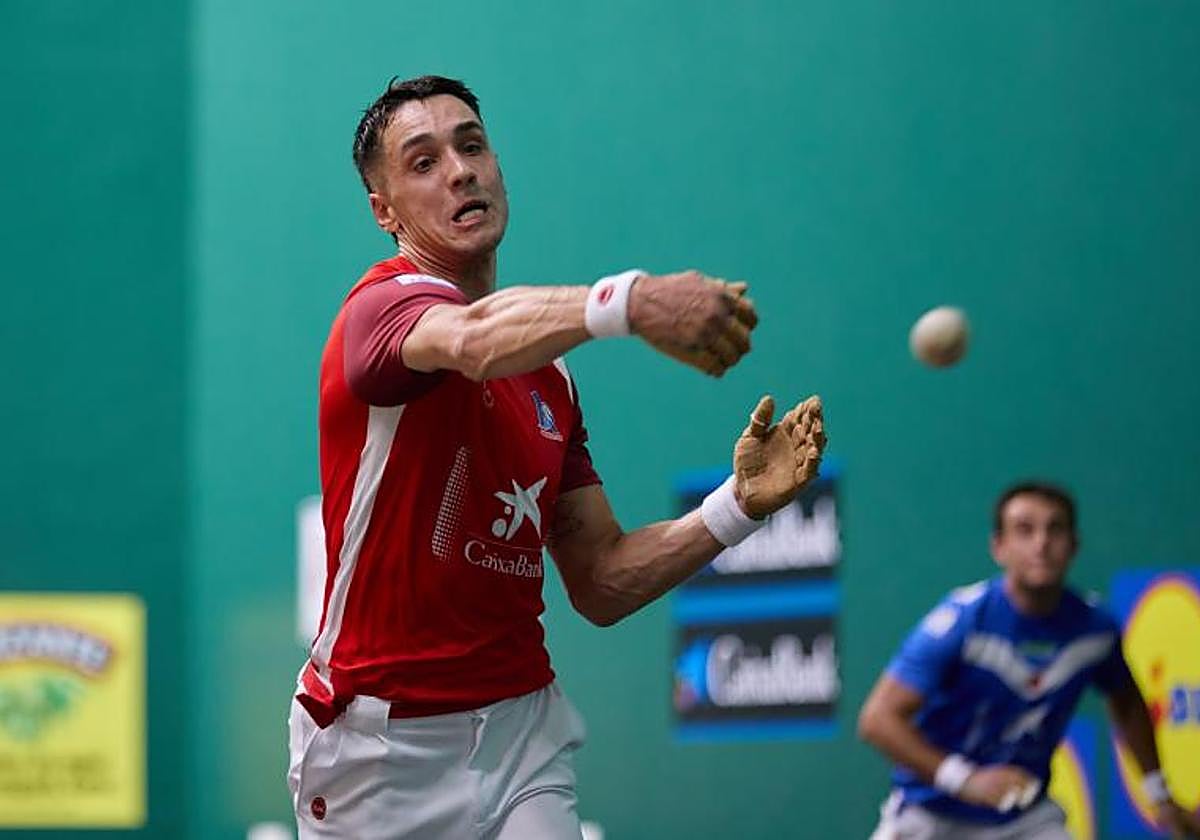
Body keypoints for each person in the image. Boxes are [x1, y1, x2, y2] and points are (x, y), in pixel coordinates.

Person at [286, 75, 828, 839]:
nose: (460, 171)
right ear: (385, 211)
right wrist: (631, 301)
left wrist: (737, 507)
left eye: (472, 147)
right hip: (380, 755)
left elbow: (601, 578)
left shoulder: (550, 378)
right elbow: (472, 338)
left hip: (521, 735)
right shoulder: (379, 309)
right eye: (424, 162)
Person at [858, 481, 1200, 839]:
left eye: (1055, 529)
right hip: (930, 814)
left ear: (1074, 545)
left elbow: (1127, 701)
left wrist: (1159, 795)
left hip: (1024, 819)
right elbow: (877, 720)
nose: (1041, 544)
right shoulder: (963, 622)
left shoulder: (1094, 630)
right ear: (999, 547)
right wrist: (965, 779)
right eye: (1024, 530)